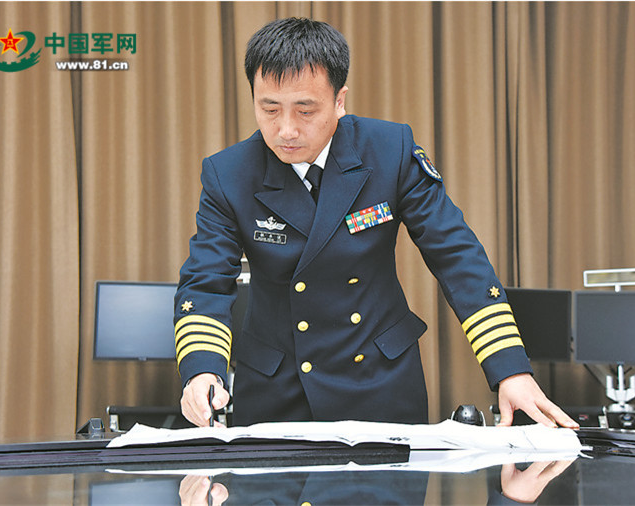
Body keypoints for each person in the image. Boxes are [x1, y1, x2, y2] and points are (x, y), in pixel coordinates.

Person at [175, 17, 578, 430]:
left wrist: (510, 368)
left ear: (339, 101)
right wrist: (201, 371)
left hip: (380, 380)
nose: (286, 130)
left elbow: (457, 256)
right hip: (278, 387)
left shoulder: (389, 151)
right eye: (270, 109)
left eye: (306, 110)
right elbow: (206, 281)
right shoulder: (229, 174)